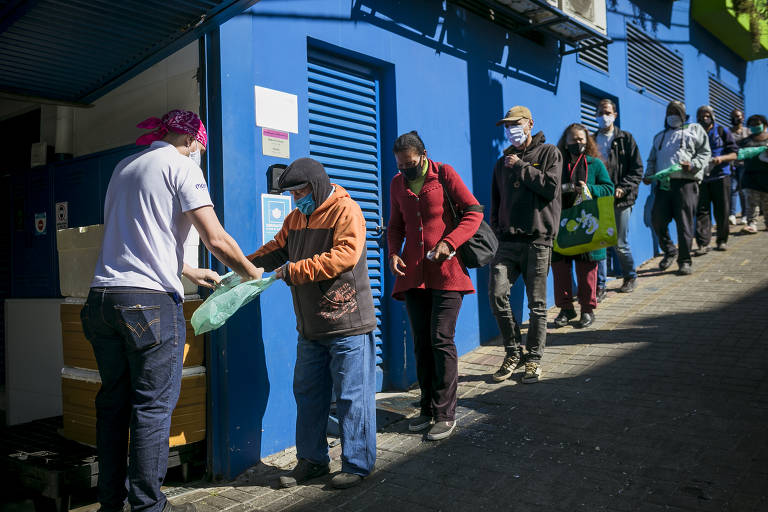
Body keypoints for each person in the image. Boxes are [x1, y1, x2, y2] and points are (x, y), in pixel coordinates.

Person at [82, 110, 264, 512]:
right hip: (147, 305)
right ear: (194, 142)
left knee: (113, 404)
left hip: (102, 301)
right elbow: (215, 237)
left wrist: (187, 269)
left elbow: (137, 236)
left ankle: (111, 503)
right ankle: (149, 506)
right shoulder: (182, 166)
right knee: (152, 407)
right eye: (199, 147)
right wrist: (252, 273)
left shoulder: (124, 166)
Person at [249, 157, 377, 490]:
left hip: (347, 323)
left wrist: (295, 270)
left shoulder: (346, 211)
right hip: (311, 328)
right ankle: (312, 461)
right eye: (290, 195)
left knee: (351, 397)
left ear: (317, 186)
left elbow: (345, 255)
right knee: (308, 395)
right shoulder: (295, 219)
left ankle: (357, 464)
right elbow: (275, 250)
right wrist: (241, 266)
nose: (295, 199)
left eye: (300, 192)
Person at [387, 131, 482, 441]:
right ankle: (427, 407)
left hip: (447, 271)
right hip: (413, 274)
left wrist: (450, 242)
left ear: (424, 155)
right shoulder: (397, 184)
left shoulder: (444, 174)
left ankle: (445, 412)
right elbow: (396, 226)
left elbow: (473, 212)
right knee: (421, 342)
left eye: (411, 164)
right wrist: (392, 254)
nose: (406, 170)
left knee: (441, 338)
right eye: (401, 165)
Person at [489, 106, 562, 384]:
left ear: (530, 124)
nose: (511, 131)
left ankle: (533, 359)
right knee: (497, 294)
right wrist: (496, 229)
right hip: (507, 242)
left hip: (537, 241)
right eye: (506, 127)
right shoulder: (501, 162)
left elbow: (550, 188)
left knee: (537, 305)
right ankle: (512, 351)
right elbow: (495, 201)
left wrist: (520, 167)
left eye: (515, 124)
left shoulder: (549, 153)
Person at [552, 124, 614, 329]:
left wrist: (589, 188)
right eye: (573, 139)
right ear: (565, 141)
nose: (577, 142)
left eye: (581, 139)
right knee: (560, 268)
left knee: (586, 268)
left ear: (587, 141)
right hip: (562, 223)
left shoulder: (595, 164)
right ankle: (565, 309)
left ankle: (587, 310)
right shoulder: (557, 164)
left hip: (588, 223)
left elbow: (608, 189)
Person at [643, 100, 711, 276]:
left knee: (684, 224)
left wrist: (694, 164)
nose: (672, 114)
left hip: (685, 183)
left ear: (683, 114)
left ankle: (685, 261)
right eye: (670, 111)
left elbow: (705, 153)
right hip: (664, 185)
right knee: (656, 219)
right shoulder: (660, 136)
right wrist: (649, 174)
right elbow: (652, 159)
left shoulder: (694, 130)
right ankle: (669, 250)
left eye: (676, 111)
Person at [593, 99, 643, 298]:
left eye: (607, 112)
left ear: (615, 115)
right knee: (600, 244)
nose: (603, 116)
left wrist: (624, 188)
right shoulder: (592, 139)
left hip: (621, 199)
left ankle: (630, 276)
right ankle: (601, 286)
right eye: (599, 112)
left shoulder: (625, 138)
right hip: (599, 198)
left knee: (620, 243)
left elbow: (637, 169)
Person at [694, 105, 738, 253]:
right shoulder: (694, 133)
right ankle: (703, 244)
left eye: (706, 115)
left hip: (721, 176)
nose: (704, 118)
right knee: (702, 211)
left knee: (722, 211)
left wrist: (721, 158)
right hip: (702, 178)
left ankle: (721, 241)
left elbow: (734, 154)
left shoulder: (722, 131)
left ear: (712, 116)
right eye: (700, 116)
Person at [722, 114, 768, 233]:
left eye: (757, 124)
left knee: (766, 203)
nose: (754, 126)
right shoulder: (745, 141)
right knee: (751, 202)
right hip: (750, 176)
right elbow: (737, 154)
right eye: (751, 124)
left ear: (765, 125)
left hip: (766, 176)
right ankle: (751, 223)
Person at [728, 108, 750, 225]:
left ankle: (745, 215)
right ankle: (732, 214)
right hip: (732, 164)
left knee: (743, 190)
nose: (737, 118)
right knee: (732, 189)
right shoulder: (728, 132)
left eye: (739, 116)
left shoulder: (748, 132)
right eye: (734, 116)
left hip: (745, 165)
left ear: (742, 117)